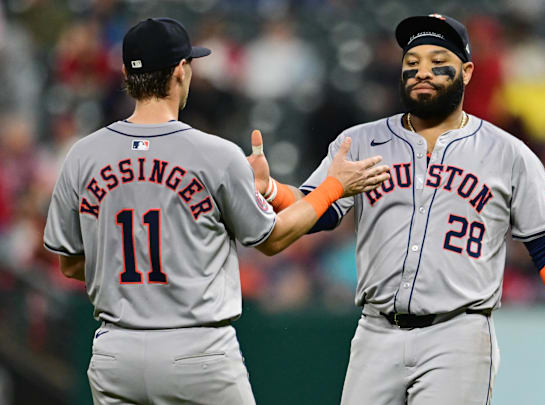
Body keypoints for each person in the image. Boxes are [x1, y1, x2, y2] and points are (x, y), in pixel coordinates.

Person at [249, 14, 545, 404]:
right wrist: (269, 189)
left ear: (467, 71)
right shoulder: (359, 142)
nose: (422, 71)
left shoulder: (507, 153)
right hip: (376, 333)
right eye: (412, 63)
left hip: (458, 335)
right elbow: (315, 210)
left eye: (438, 61)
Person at [42, 17, 389, 405]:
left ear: (126, 73)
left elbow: (70, 264)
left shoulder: (82, 155)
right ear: (180, 71)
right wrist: (334, 186)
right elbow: (273, 239)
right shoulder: (214, 154)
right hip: (196, 350)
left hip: (115, 352)